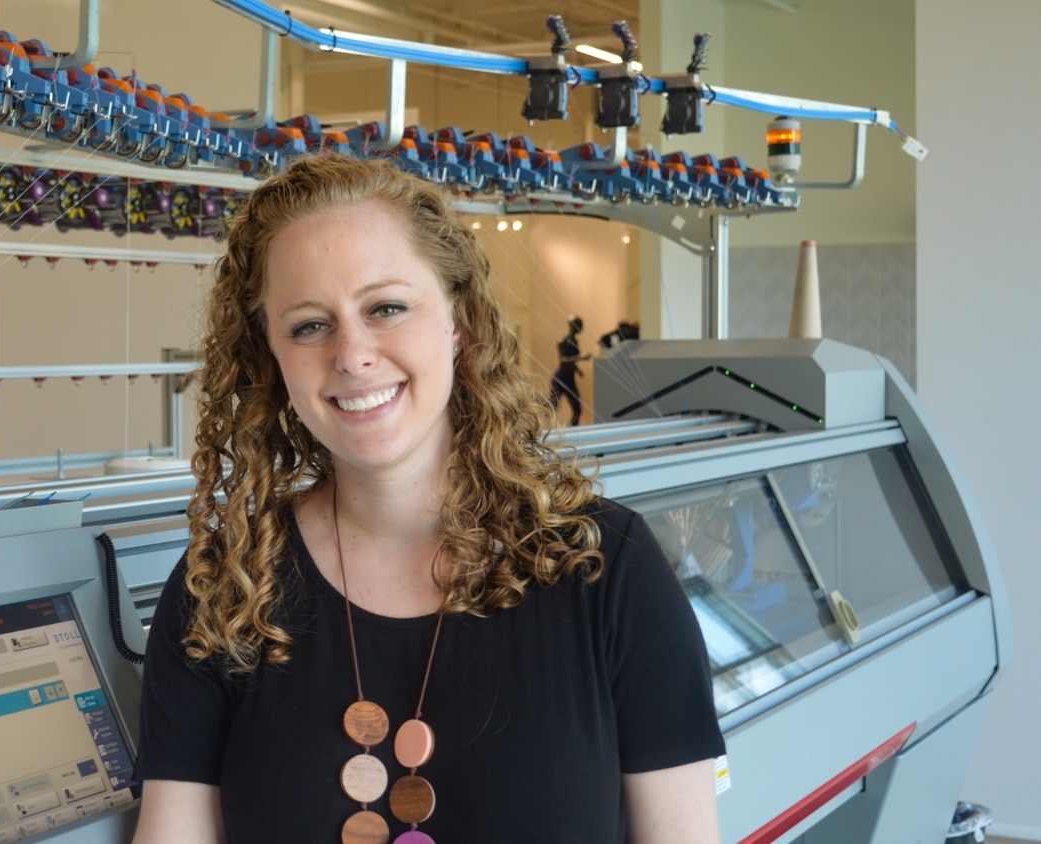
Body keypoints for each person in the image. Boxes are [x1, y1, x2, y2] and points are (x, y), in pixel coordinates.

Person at [132, 154, 723, 843]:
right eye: (308, 325)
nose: (352, 354)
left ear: (458, 321)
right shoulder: (223, 591)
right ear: (271, 358)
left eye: (387, 308)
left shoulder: (604, 568)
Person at [546, 314, 589, 426]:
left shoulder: (575, 342)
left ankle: (574, 432)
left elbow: (570, 360)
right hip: (561, 378)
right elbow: (563, 360)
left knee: (577, 408)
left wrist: (577, 369)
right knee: (552, 407)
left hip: (569, 377)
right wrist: (581, 358)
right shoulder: (563, 341)